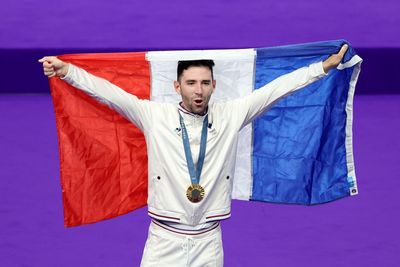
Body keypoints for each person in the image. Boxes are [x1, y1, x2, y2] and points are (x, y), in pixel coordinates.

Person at [39, 44, 348, 267]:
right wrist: (67, 71)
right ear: (177, 86)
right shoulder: (153, 115)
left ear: (214, 85)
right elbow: (107, 92)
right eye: (190, 83)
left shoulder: (231, 114)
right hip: (163, 241)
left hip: (209, 243)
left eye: (203, 83)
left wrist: (322, 67)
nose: (197, 90)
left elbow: (277, 90)